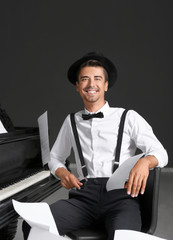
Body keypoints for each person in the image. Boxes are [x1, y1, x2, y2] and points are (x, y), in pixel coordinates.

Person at [23, 52, 168, 240]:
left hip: (121, 199)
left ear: (106, 85)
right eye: (85, 79)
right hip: (83, 198)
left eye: (97, 79)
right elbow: (54, 157)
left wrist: (145, 162)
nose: (91, 84)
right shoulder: (71, 121)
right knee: (32, 225)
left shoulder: (128, 117)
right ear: (78, 86)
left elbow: (161, 154)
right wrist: (63, 173)